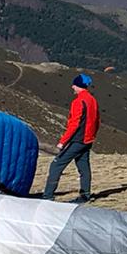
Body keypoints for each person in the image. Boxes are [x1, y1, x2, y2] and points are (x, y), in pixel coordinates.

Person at [40, 74, 99, 202]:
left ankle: (47, 196)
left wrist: (62, 142)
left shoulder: (78, 101)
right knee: (84, 167)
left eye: (74, 85)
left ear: (79, 86)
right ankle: (85, 195)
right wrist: (92, 136)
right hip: (87, 140)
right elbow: (97, 120)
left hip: (78, 140)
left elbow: (74, 124)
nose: (72, 87)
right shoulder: (92, 100)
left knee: (56, 165)